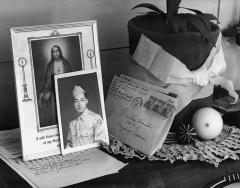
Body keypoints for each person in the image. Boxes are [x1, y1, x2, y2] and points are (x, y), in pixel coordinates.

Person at [39, 45, 72, 127]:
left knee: (66, 108)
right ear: (52, 54)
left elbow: (71, 76)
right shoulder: (50, 65)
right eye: (54, 52)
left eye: (57, 51)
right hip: (54, 89)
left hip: (66, 88)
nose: (56, 53)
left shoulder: (65, 63)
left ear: (60, 52)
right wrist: (45, 91)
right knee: (56, 109)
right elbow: (48, 79)